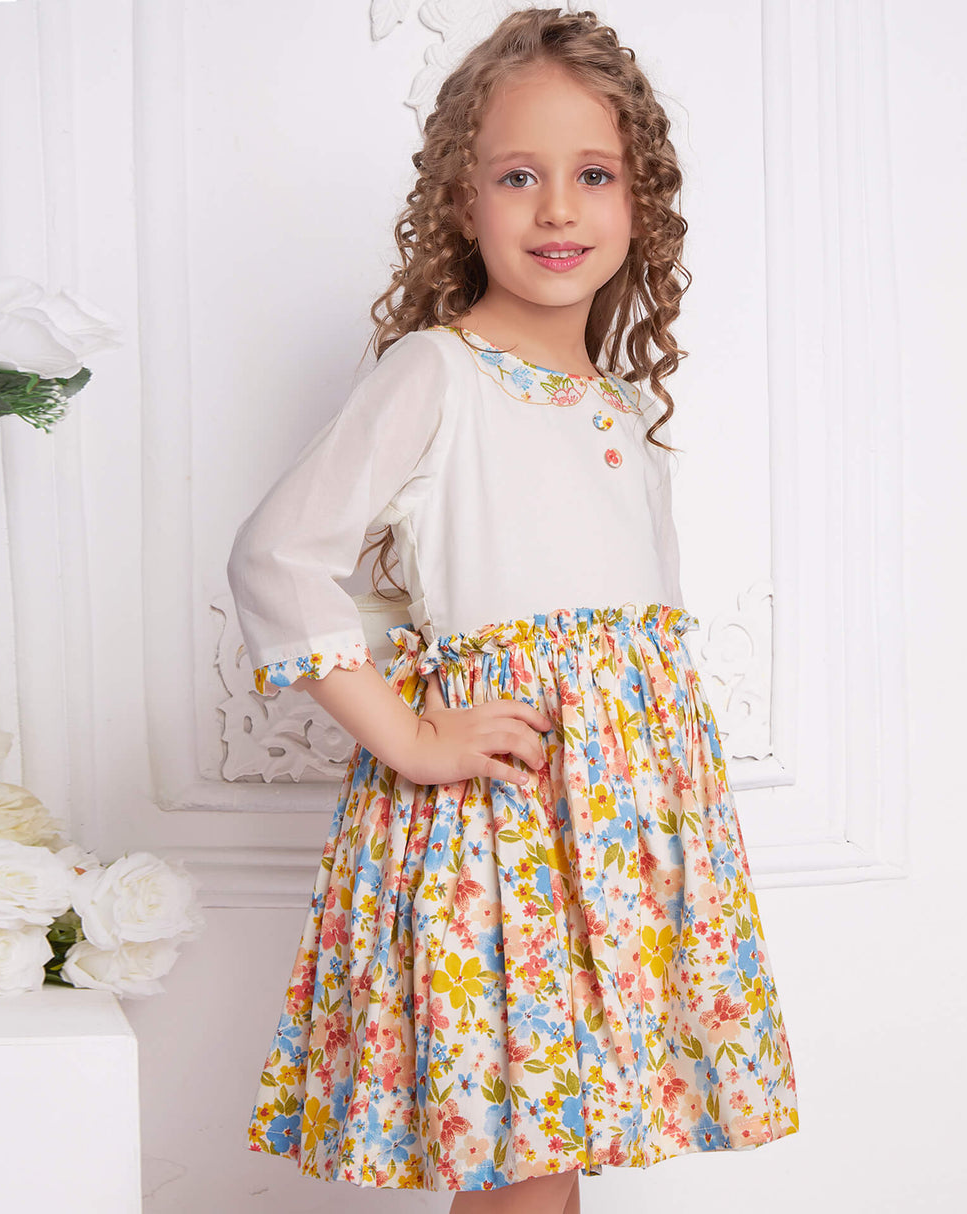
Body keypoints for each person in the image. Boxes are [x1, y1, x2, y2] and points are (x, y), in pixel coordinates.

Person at [229, 8, 799, 1211]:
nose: (556, 209)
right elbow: (278, 554)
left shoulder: (623, 408)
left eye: (592, 176)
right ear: (460, 200)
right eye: (516, 176)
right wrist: (410, 731)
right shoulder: (435, 372)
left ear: (639, 204)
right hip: (503, 830)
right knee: (517, 1160)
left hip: (620, 835)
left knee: (555, 1148)